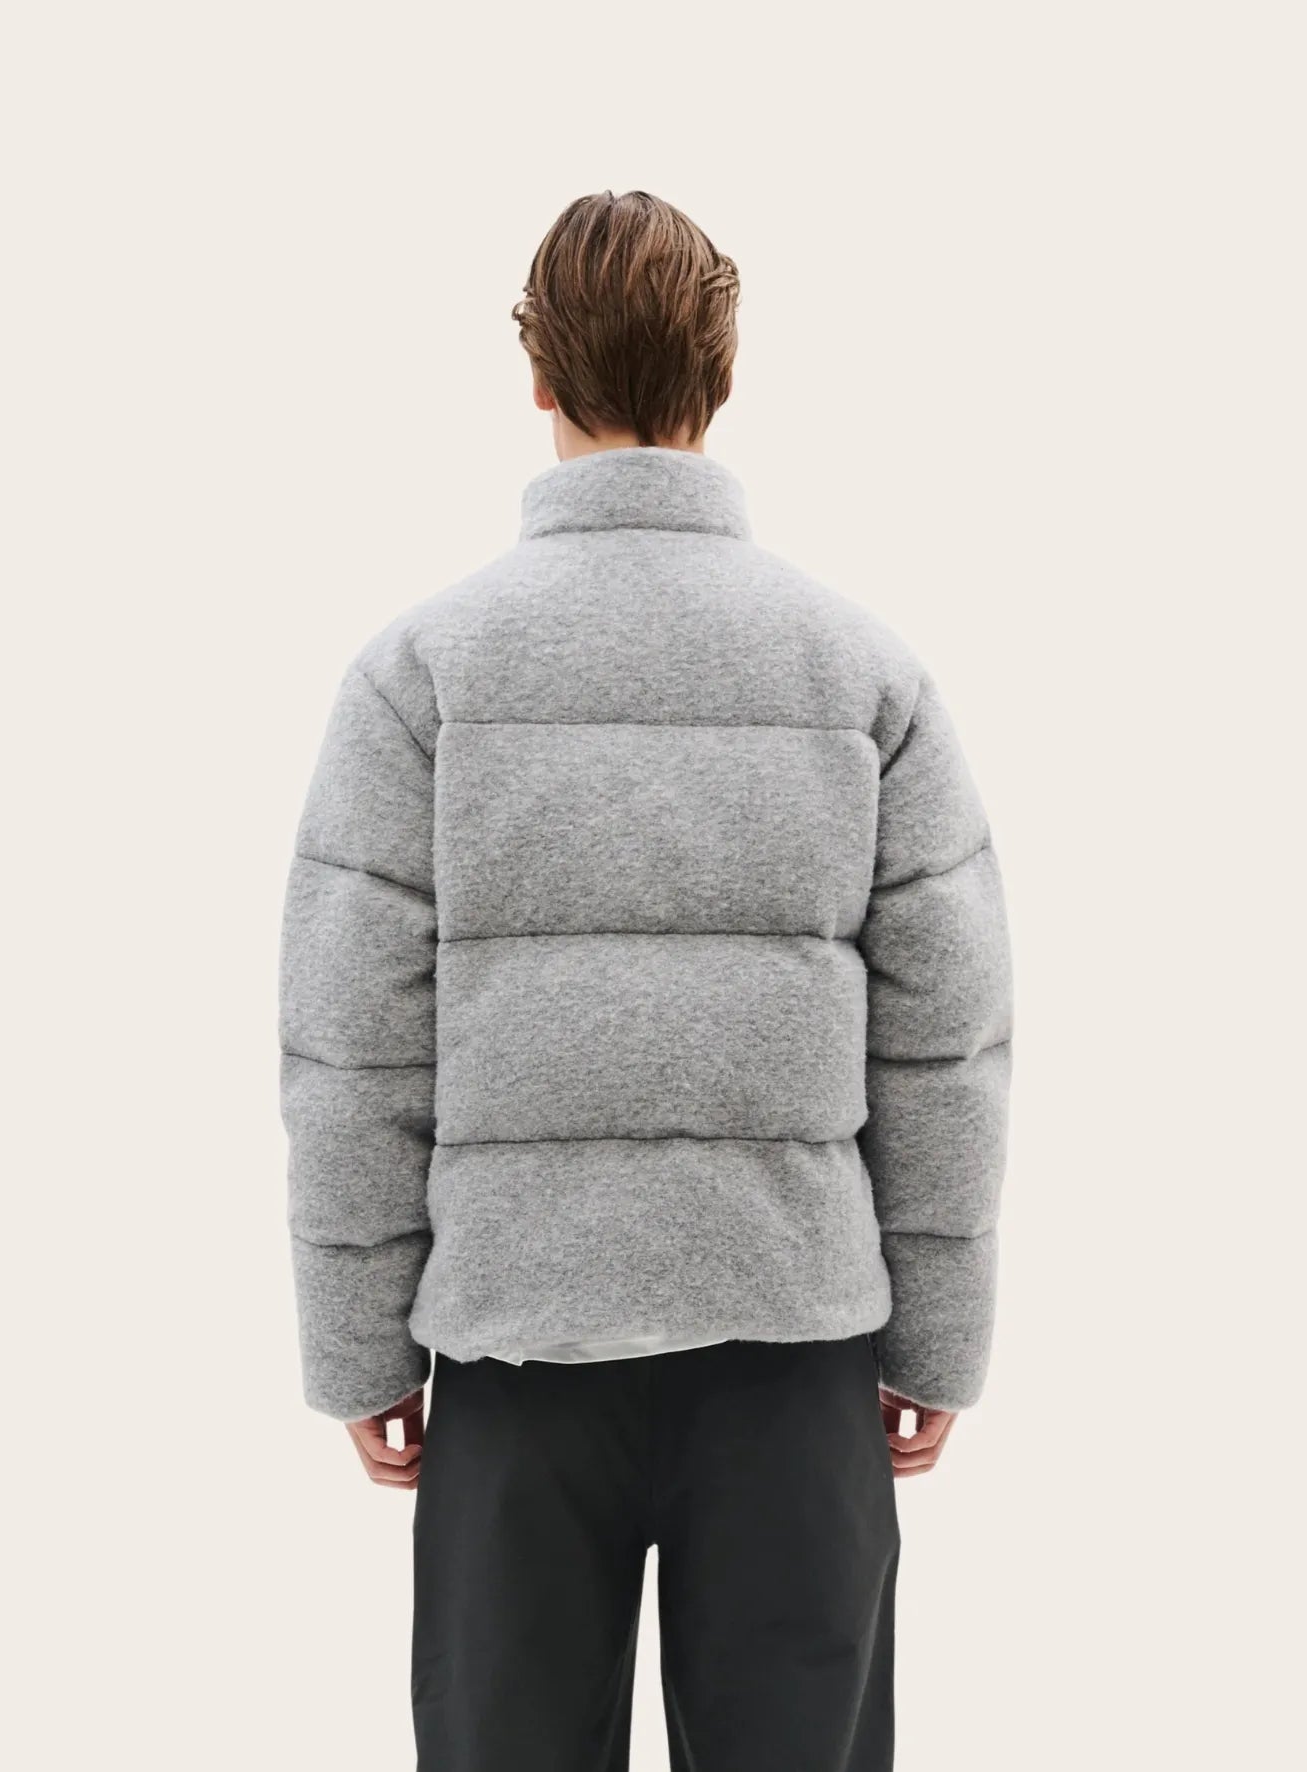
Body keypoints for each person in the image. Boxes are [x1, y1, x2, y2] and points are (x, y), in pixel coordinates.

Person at [279, 189, 1012, 1771]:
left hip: (517, 1358)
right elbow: (944, 1045)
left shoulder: (420, 674)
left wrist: (356, 1345)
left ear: (537, 377)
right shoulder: (861, 671)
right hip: (793, 1351)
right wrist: (939, 1335)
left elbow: (350, 1045)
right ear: (722, 377)